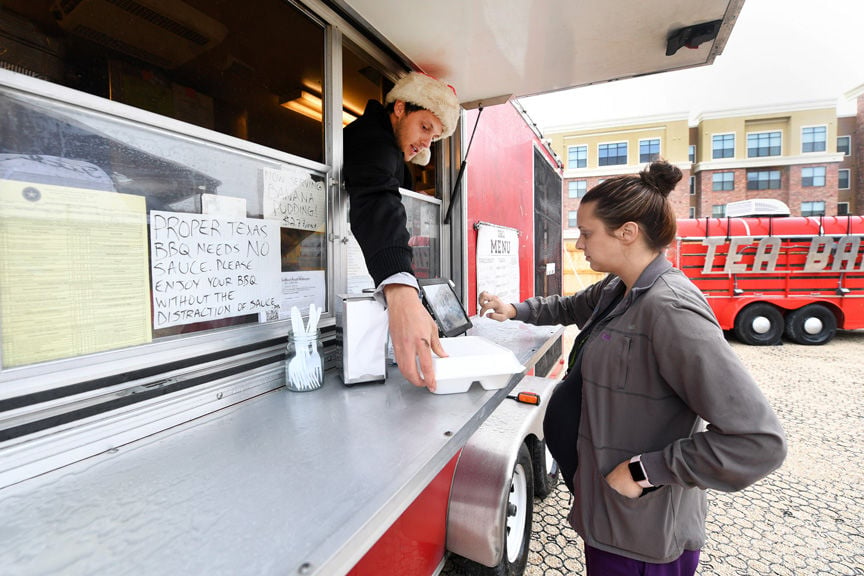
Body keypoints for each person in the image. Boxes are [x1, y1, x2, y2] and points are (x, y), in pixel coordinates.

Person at [478, 160, 787, 575]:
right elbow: (569, 306)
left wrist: (644, 472)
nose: (580, 243)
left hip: (642, 536)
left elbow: (758, 440)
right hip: (610, 518)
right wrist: (514, 309)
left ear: (627, 232)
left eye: (587, 233)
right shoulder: (618, 288)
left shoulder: (670, 310)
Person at [343, 72, 461, 392]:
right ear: (399, 109)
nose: (427, 142)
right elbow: (378, 199)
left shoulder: (394, 151)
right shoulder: (372, 139)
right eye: (424, 127)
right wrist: (401, 289)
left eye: (434, 137)